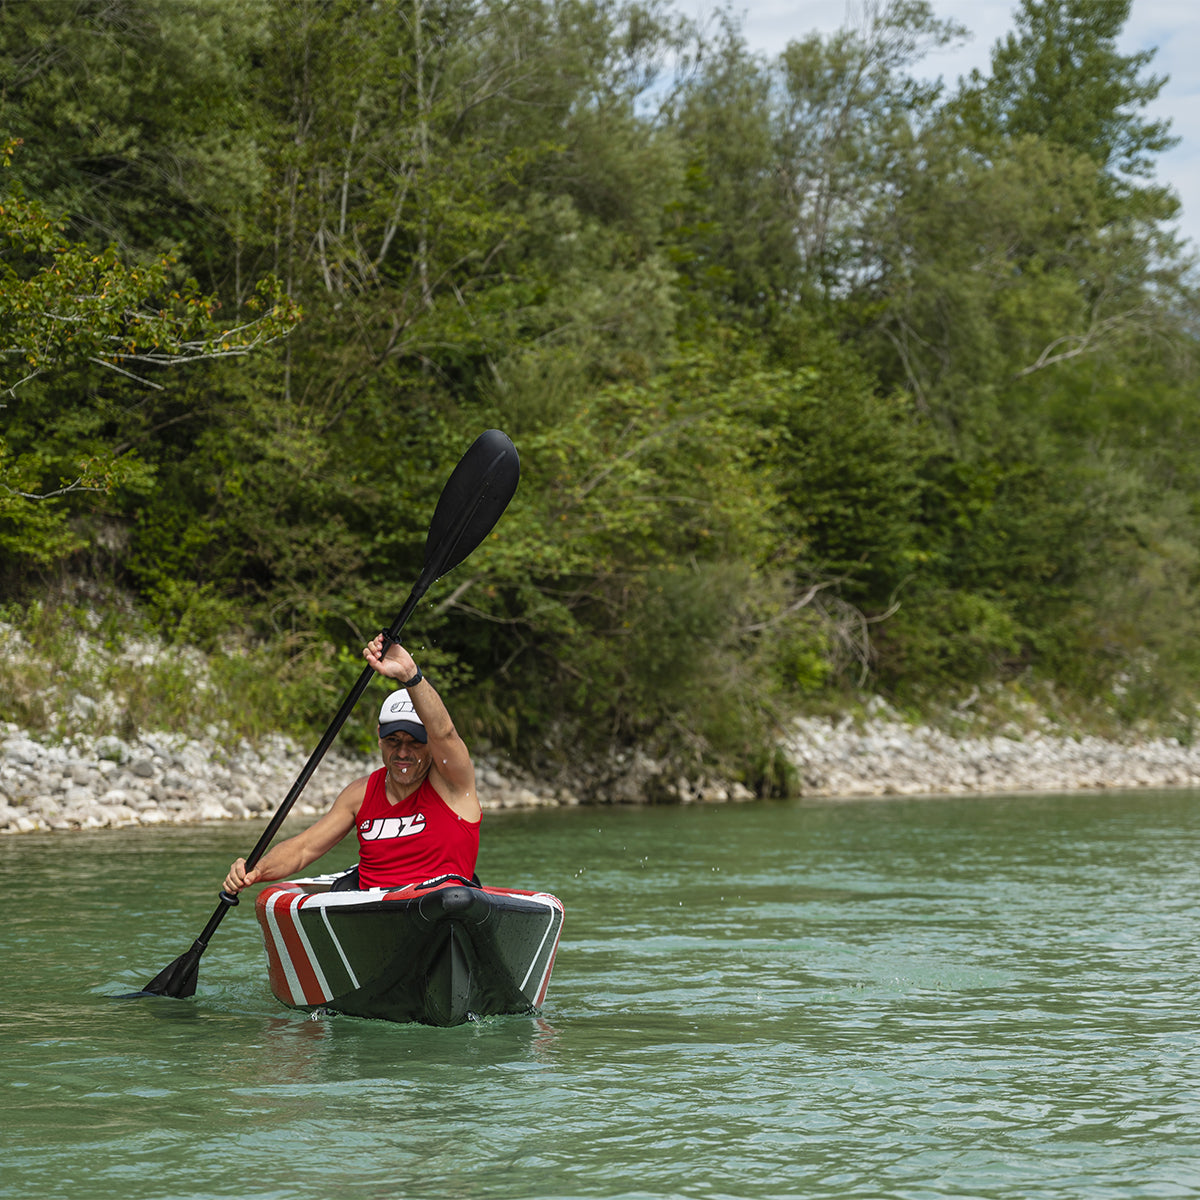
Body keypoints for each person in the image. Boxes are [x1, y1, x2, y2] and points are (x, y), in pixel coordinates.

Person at [222, 633, 480, 895]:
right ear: (379, 737)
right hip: (371, 912)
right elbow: (303, 849)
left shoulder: (453, 784)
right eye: (393, 740)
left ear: (430, 745)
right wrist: (256, 871)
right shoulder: (359, 795)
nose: (403, 752)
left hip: (440, 907)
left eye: (415, 742)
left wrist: (410, 675)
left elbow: (444, 733)